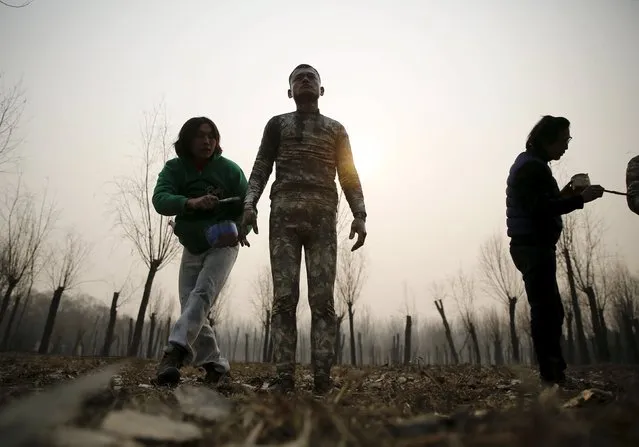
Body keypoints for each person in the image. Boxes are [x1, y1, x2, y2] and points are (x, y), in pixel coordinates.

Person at [239, 64, 367, 394]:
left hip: (322, 217)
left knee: (322, 302)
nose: (305, 80)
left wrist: (360, 214)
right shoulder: (277, 125)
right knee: (284, 301)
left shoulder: (335, 129)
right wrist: (249, 204)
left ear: (322, 90)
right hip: (283, 216)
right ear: (290, 90)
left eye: (311, 77)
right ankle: (284, 379)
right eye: (298, 77)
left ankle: (322, 381)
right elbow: (260, 168)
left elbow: (348, 174)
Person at [506, 115, 604, 387]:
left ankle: (554, 372)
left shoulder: (533, 165)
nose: (566, 147)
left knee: (550, 310)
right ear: (546, 139)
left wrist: (565, 194)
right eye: (563, 140)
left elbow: (543, 202)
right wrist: (578, 199)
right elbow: (539, 209)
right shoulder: (532, 169)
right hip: (532, 247)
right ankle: (551, 375)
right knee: (546, 311)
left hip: (533, 245)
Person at [151, 116, 250, 386]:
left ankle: (174, 353)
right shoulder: (174, 169)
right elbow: (160, 200)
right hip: (192, 244)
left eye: (211, 135)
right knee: (190, 304)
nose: (206, 141)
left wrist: (244, 226)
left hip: (223, 243)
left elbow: (247, 202)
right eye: (199, 135)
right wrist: (191, 203)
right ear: (186, 140)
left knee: (203, 293)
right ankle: (216, 367)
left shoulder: (230, 170)